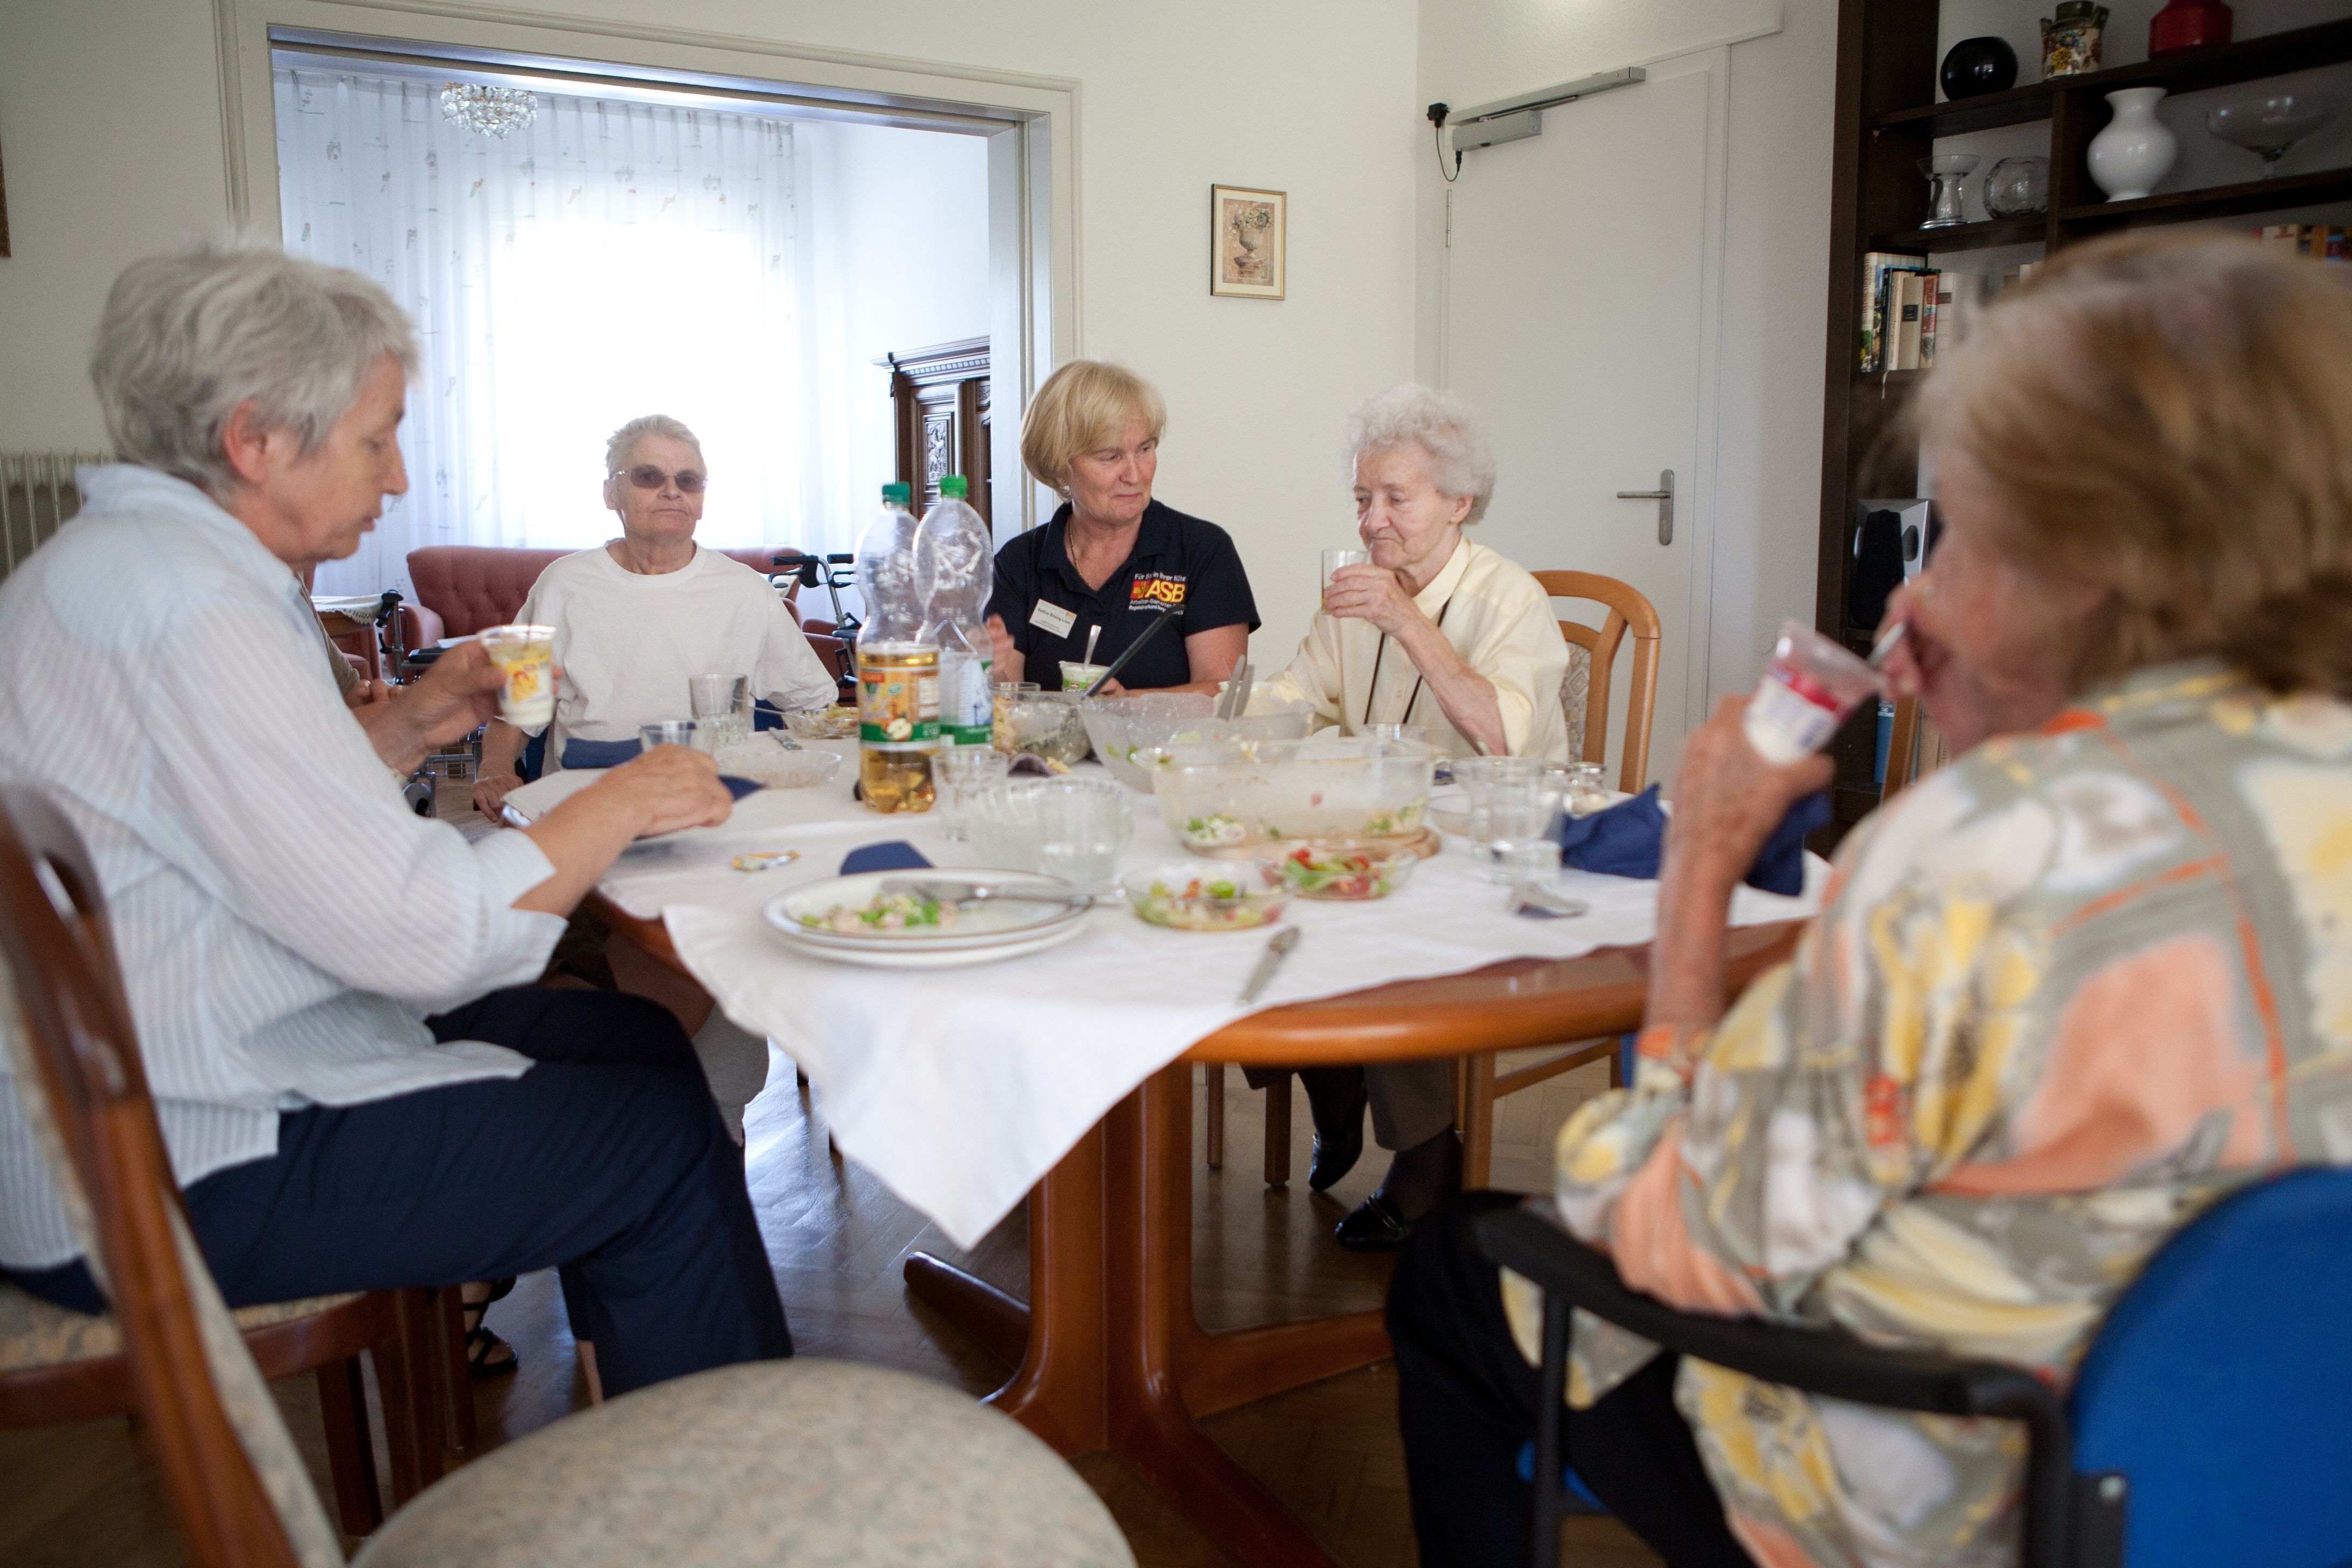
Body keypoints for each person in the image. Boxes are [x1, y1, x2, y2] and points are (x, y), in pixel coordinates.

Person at [1388, 229, 2352, 1568]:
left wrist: (1700, 884)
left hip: (1953, 1502)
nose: (1908, 594)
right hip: (2272, 1489)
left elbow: (1675, 1245)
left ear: (2087, 557)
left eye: (1954, 536)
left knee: (1456, 1269)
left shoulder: (1987, 850)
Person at [0, 239, 794, 1401]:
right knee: (652, 1142)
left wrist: (412, 725)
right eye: (377, 437)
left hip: (162, 1079)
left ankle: (647, 1371)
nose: (400, 477)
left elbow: (244, 807)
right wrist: (619, 797)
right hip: (164, 1159)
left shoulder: (138, 569)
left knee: (639, 1043)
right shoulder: (195, 611)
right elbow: (425, 936)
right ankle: (741, 1471)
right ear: (256, 439)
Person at [1259, 384, 1571, 1254]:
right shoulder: (1360, 592)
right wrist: (1220, 723)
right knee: (1258, 878)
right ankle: (1332, 1077)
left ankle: (1426, 1157)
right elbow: (1296, 696)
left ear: (1457, 502)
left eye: (1396, 498)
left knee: (1385, 912)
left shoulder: (1506, 597)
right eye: (1362, 498)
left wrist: (1405, 620)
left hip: (1485, 847)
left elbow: (1502, 733)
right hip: (1380, 829)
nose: (1372, 520)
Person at [470, 415, 836, 818]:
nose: (672, 492)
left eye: (688, 481)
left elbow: (813, 703)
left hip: (713, 799)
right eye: (648, 477)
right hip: (589, 801)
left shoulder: (747, 592)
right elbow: (516, 709)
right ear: (611, 493)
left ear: (701, 499)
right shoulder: (563, 584)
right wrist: (495, 770)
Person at [985, 360, 1259, 695]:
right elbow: (1008, 703)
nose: (1135, 474)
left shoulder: (1201, 549)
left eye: (1145, 449)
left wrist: (1128, 704)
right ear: (1060, 469)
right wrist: (992, 674)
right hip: (1053, 749)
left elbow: (1223, 693)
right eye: (1110, 457)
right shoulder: (1019, 563)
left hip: (1171, 748)